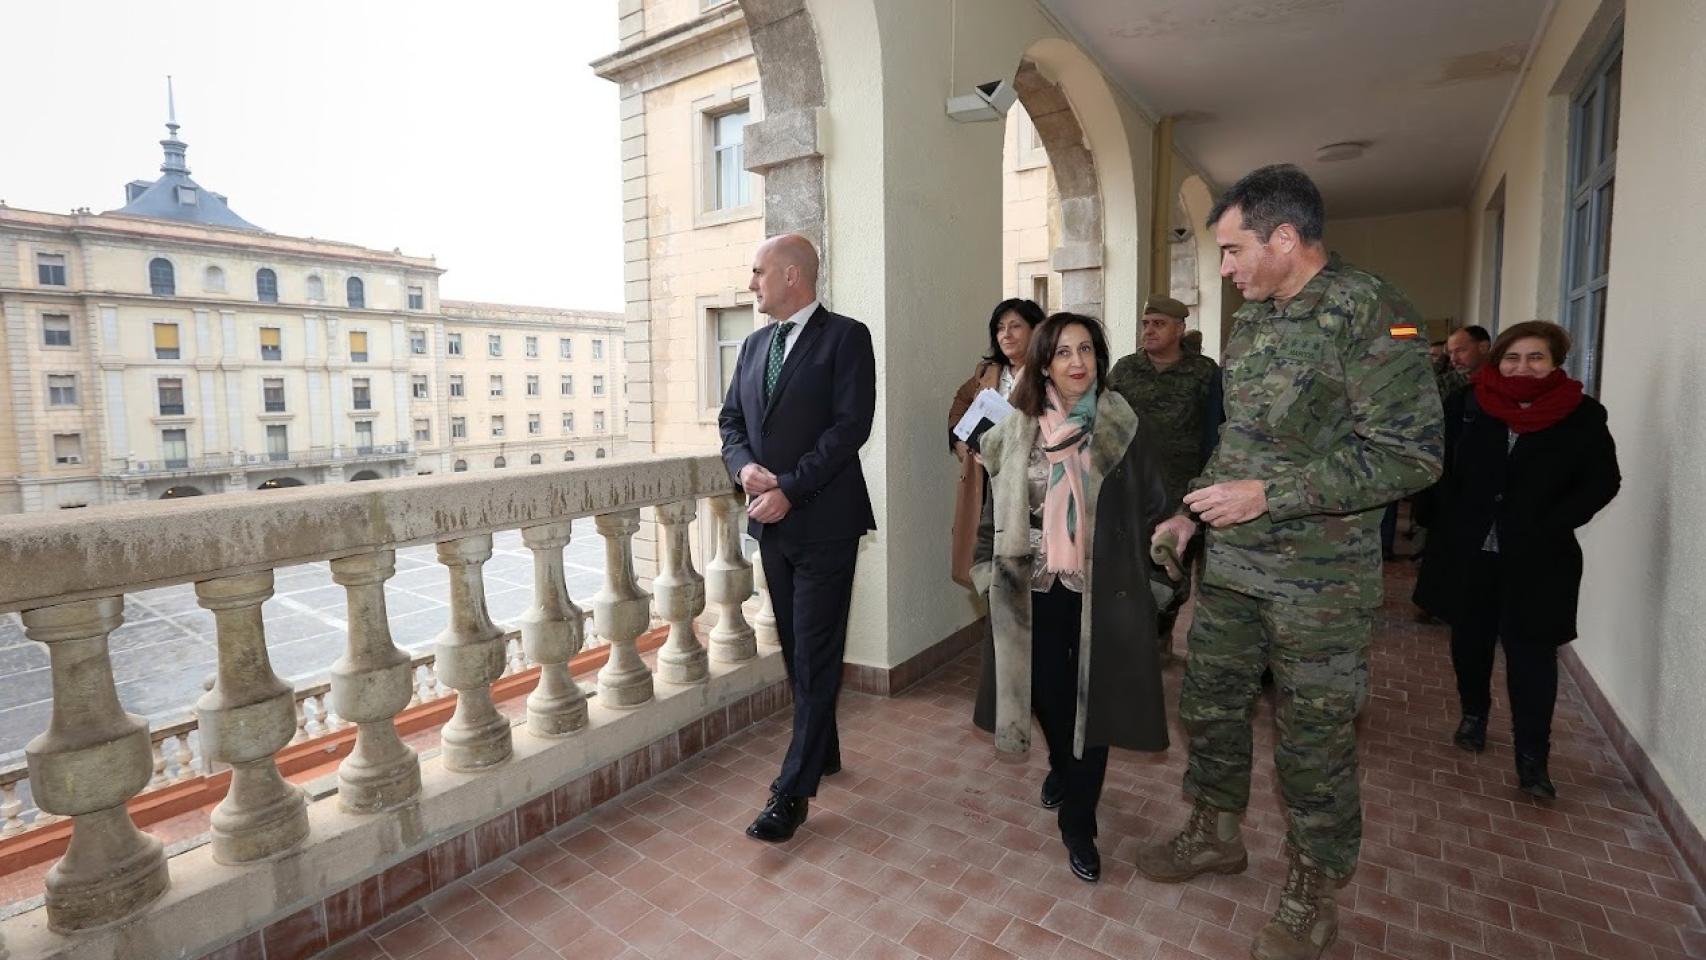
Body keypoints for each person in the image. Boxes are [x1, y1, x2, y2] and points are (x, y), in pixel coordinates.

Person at [1134, 164, 1442, 960]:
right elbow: (1241, 444)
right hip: (1235, 570)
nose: (1226, 269)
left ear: (1283, 238)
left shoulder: (1371, 312)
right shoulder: (1255, 323)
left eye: (1234, 250)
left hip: (1321, 584)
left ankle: (1313, 888)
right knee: (1208, 705)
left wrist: (1269, 494)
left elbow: (1411, 458)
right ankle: (1214, 831)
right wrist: (1190, 511)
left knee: (1313, 740)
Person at [971, 312, 1170, 883]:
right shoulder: (1011, 433)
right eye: (1063, 353)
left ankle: (1079, 821)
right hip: (1030, 590)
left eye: (1087, 350)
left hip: (1102, 593)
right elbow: (991, 517)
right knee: (1046, 698)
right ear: (1044, 364)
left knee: (1093, 707)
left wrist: (1157, 587)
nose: (1078, 363)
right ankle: (1063, 763)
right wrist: (987, 575)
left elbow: (1159, 507)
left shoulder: (1124, 426)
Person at [1413, 321, 1619, 799]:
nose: (1522, 367)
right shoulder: (1468, 405)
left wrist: (1552, 520)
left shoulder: (1581, 414)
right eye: (1513, 358)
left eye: (1535, 358)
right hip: (1471, 552)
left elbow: (1603, 480)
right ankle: (1474, 715)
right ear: (1497, 360)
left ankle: (1533, 760)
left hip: (1539, 557)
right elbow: (1435, 466)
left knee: (1532, 657)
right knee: (1470, 641)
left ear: (1555, 362)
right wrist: (1441, 519)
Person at [718, 233, 876, 843]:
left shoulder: (846, 337)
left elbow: (849, 428)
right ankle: (825, 747)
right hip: (772, 525)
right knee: (796, 645)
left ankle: (793, 792)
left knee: (811, 650)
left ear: (791, 275)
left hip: (825, 522)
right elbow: (731, 419)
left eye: (758, 272)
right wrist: (745, 470)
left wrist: (790, 486)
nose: (752, 283)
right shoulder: (756, 344)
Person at [1106, 295, 1224, 667]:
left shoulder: (1204, 372)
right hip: (1131, 488)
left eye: (1159, 323)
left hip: (1182, 492)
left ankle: (1160, 634)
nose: (1149, 330)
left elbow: (1218, 429)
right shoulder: (1125, 371)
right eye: (1146, 324)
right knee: (1130, 567)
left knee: (1170, 571)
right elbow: (1104, 420)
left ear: (1179, 328)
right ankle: (1136, 638)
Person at [949, 298, 1046, 587]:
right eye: (1001, 328)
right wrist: (959, 440)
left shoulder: (1047, 375)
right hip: (985, 481)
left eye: (1016, 326)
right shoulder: (987, 372)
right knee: (986, 556)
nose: (1006, 334)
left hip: (1030, 484)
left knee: (1023, 564)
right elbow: (960, 401)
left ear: (1036, 331)